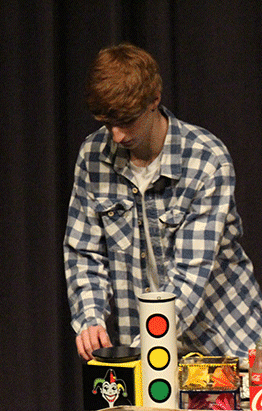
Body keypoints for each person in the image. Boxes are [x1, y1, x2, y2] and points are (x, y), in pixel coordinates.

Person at [64, 42, 262, 361]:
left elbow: (188, 278)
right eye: (107, 123)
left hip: (224, 346)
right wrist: (90, 318)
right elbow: (83, 249)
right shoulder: (93, 157)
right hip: (147, 350)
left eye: (127, 121)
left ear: (154, 99)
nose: (116, 136)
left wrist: (138, 351)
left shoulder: (205, 161)